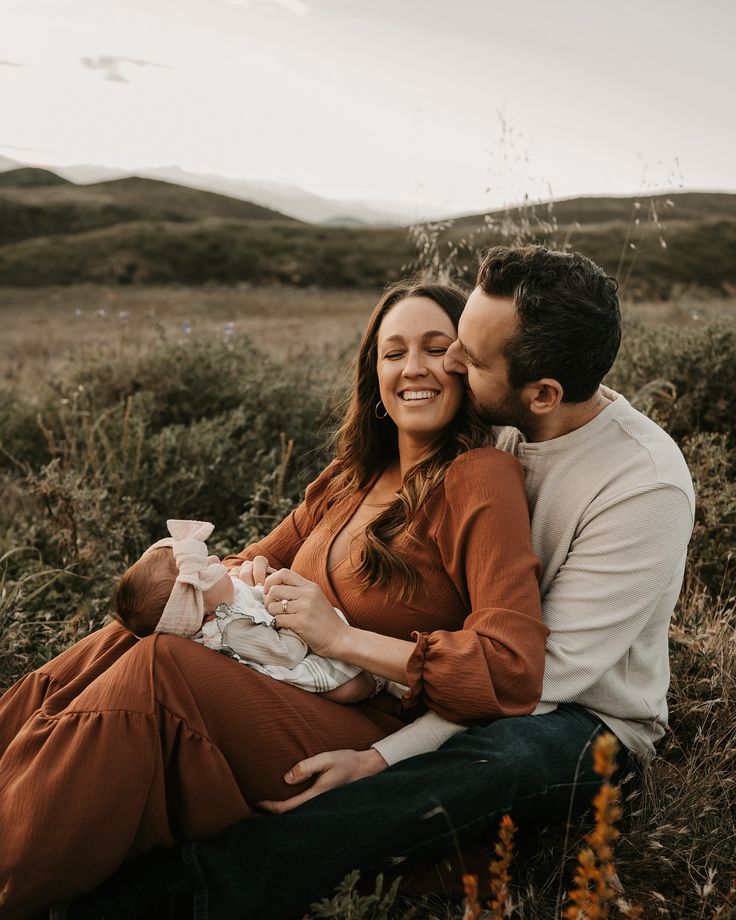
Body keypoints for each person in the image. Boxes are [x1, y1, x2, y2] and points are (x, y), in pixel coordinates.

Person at [65, 243, 695, 920]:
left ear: (542, 393)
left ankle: (184, 895)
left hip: (577, 722)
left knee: (501, 758)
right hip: (448, 679)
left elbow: (535, 685)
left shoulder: (641, 485)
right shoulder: (494, 426)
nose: (450, 363)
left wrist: (383, 755)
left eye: (468, 359)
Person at [0, 281, 546, 919]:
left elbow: (511, 667)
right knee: (144, 622)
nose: (414, 368)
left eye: (436, 348)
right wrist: (235, 577)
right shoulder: (348, 479)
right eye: (393, 353)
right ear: (374, 376)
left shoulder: (479, 477)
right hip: (277, 680)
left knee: (161, 669)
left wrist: (340, 638)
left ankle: (17, 868)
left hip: (361, 719)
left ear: (465, 367)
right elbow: (242, 561)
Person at [115, 517, 377, 703]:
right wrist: (286, 615)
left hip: (291, 636)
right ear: (206, 614)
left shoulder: (221, 601)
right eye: (208, 571)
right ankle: (377, 685)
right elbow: (287, 653)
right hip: (288, 655)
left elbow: (243, 587)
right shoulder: (232, 630)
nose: (217, 560)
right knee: (350, 688)